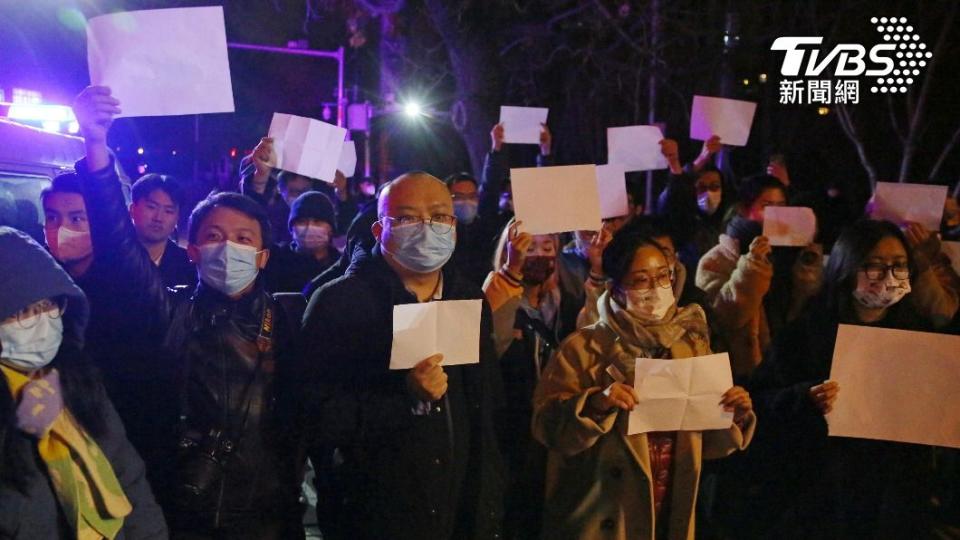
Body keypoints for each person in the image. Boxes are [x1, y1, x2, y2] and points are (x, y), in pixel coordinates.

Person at [73, 86, 304, 538]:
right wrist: (96, 146)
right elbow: (121, 252)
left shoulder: (288, 322)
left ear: (262, 257)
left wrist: (257, 185)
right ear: (193, 251)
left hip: (271, 516)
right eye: (215, 236)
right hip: (184, 513)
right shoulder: (170, 311)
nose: (229, 247)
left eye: (243, 239)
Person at [299, 172, 505, 539]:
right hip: (372, 516)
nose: (427, 227)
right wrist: (401, 395)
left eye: (440, 216)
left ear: (454, 227)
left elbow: (484, 411)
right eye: (408, 218)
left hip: (457, 513)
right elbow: (313, 417)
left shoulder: (469, 300)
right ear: (379, 231)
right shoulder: (339, 303)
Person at [531, 229, 755, 540]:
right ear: (618, 288)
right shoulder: (582, 347)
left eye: (663, 276)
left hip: (667, 511)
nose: (657, 288)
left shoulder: (689, 342)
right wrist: (596, 404)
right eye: (641, 280)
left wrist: (734, 414)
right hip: (605, 518)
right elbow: (547, 429)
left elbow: (705, 446)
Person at [739, 220, 934, 538]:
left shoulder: (919, 337)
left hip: (892, 498)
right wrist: (804, 397)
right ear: (847, 267)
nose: (889, 277)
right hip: (821, 496)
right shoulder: (806, 333)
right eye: (874, 266)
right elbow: (760, 399)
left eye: (899, 265)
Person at [0, 226, 167, 539]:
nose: (42, 321)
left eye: (50, 305)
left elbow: (127, 475)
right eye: (23, 311)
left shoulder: (76, 379)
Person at [481, 220, 566, 539]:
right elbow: (489, 342)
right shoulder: (496, 295)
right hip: (510, 435)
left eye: (547, 248)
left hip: (552, 433)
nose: (540, 256)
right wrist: (511, 274)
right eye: (530, 247)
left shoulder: (562, 301)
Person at [695, 175, 824, 378]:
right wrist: (752, 265)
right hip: (739, 374)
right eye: (767, 206)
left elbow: (804, 310)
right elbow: (724, 317)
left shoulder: (790, 255)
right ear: (744, 210)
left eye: (781, 207)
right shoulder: (717, 260)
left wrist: (809, 262)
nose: (776, 215)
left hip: (784, 368)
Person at [264, 191, 340, 293]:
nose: (309, 227)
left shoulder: (342, 265)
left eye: (317, 221)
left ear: (331, 229)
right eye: (302, 222)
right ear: (292, 229)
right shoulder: (276, 259)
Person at [129, 173, 195, 289]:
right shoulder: (110, 255)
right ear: (132, 209)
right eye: (151, 207)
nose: (158, 218)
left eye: (168, 211)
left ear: (177, 218)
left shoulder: (187, 265)